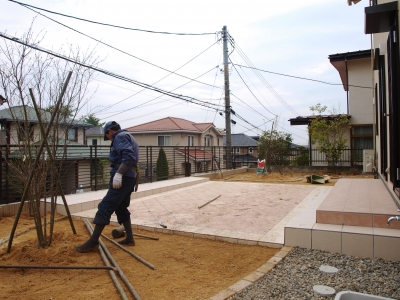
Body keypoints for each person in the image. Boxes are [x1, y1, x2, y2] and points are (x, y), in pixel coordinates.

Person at [76, 121, 139, 253]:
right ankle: (130, 238)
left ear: (110, 131)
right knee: (121, 207)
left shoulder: (120, 137)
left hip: (123, 177)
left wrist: (119, 174)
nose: (109, 139)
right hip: (130, 177)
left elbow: (128, 157)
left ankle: (93, 241)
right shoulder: (129, 136)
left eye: (107, 136)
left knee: (105, 206)